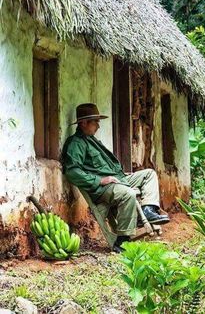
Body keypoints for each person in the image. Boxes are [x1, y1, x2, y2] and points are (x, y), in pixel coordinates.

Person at [62, 103, 170, 252]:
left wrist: (121, 176)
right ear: (84, 123)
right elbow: (72, 172)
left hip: (118, 180)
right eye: (95, 122)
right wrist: (99, 180)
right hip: (102, 188)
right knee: (128, 194)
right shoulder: (76, 144)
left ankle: (148, 210)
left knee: (149, 174)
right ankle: (122, 240)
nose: (98, 127)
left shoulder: (92, 141)